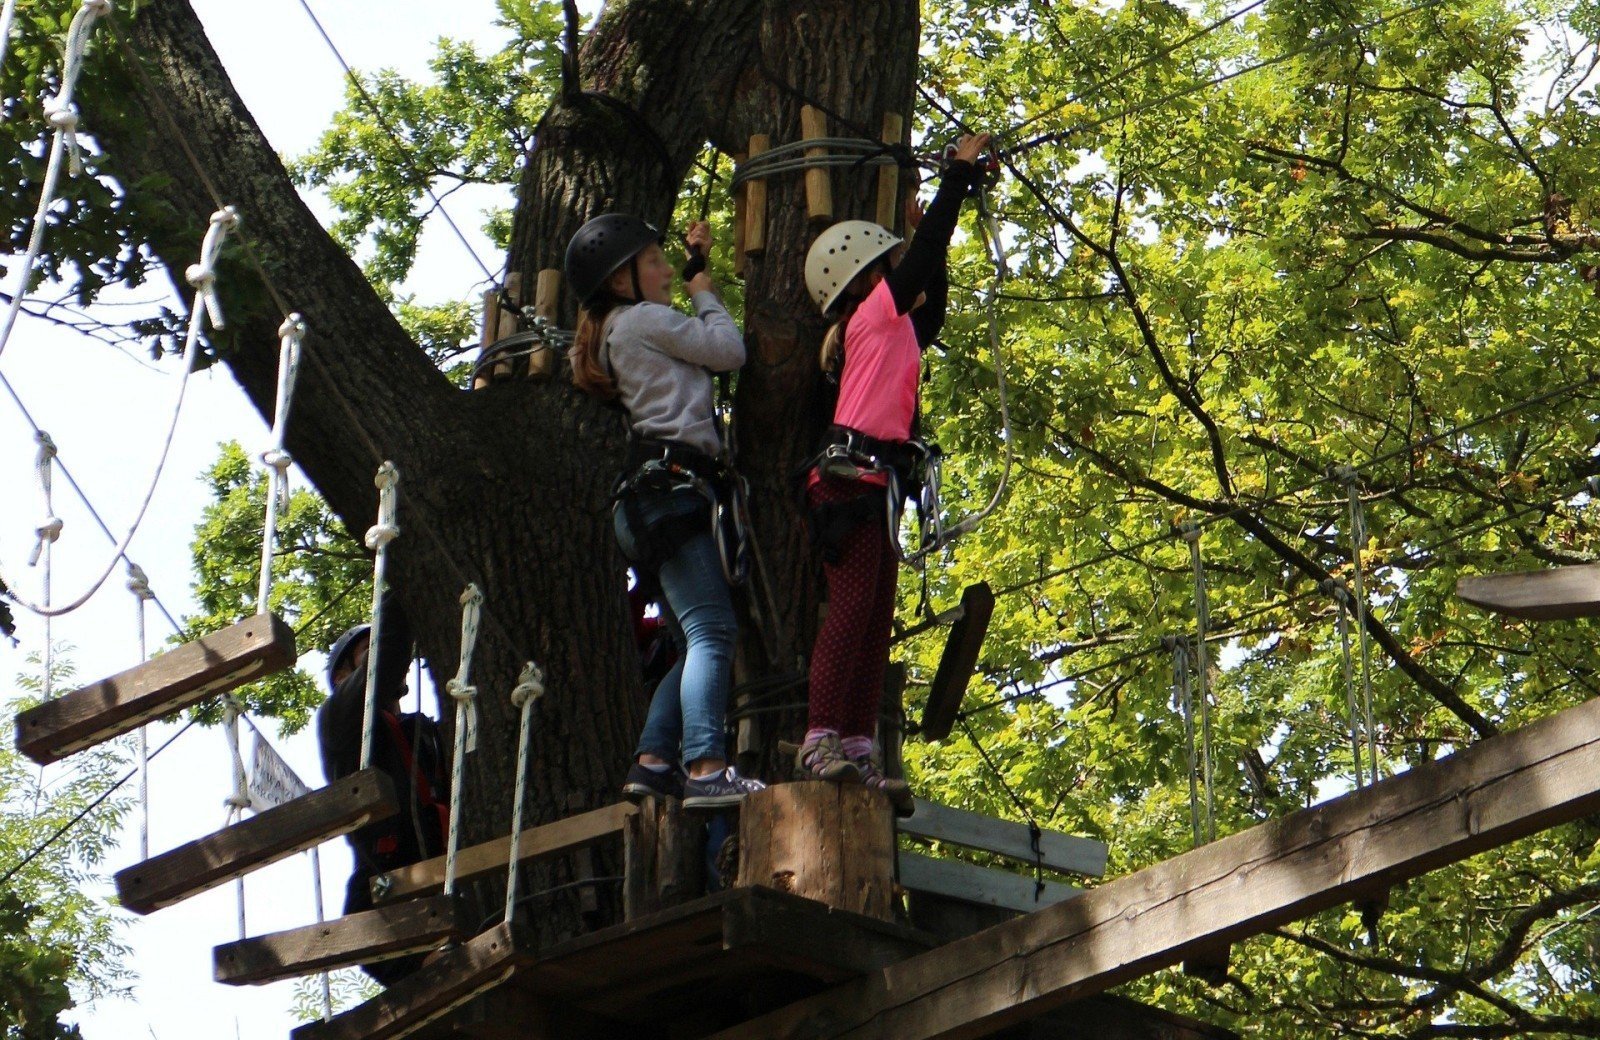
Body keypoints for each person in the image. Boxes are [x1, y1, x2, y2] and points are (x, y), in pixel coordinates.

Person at [796, 132, 993, 814]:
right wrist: (957, 176)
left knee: (874, 621)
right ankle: (820, 737)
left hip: (878, 485)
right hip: (849, 483)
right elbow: (927, 260)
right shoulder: (870, 317)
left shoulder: (897, 325)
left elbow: (930, 298)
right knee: (850, 616)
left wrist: (927, 226)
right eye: (893, 262)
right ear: (867, 277)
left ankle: (855, 743)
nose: (902, 270)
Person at [567, 213, 765, 810]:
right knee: (714, 630)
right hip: (671, 494)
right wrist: (705, 293)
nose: (665, 272)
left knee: (689, 641)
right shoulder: (644, 320)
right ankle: (705, 767)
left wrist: (696, 261)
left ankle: (654, 762)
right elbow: (729, 352)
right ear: (622, 279)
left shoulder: (618, 330)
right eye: (653, 262)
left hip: (648, 503)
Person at [316, 600, 448, 986]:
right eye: (366, 651)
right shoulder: (340, 717)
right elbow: (387, 656)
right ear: (344, 675)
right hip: (385, 874)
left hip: (444, 863)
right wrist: (400, 584)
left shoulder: (423, 731)